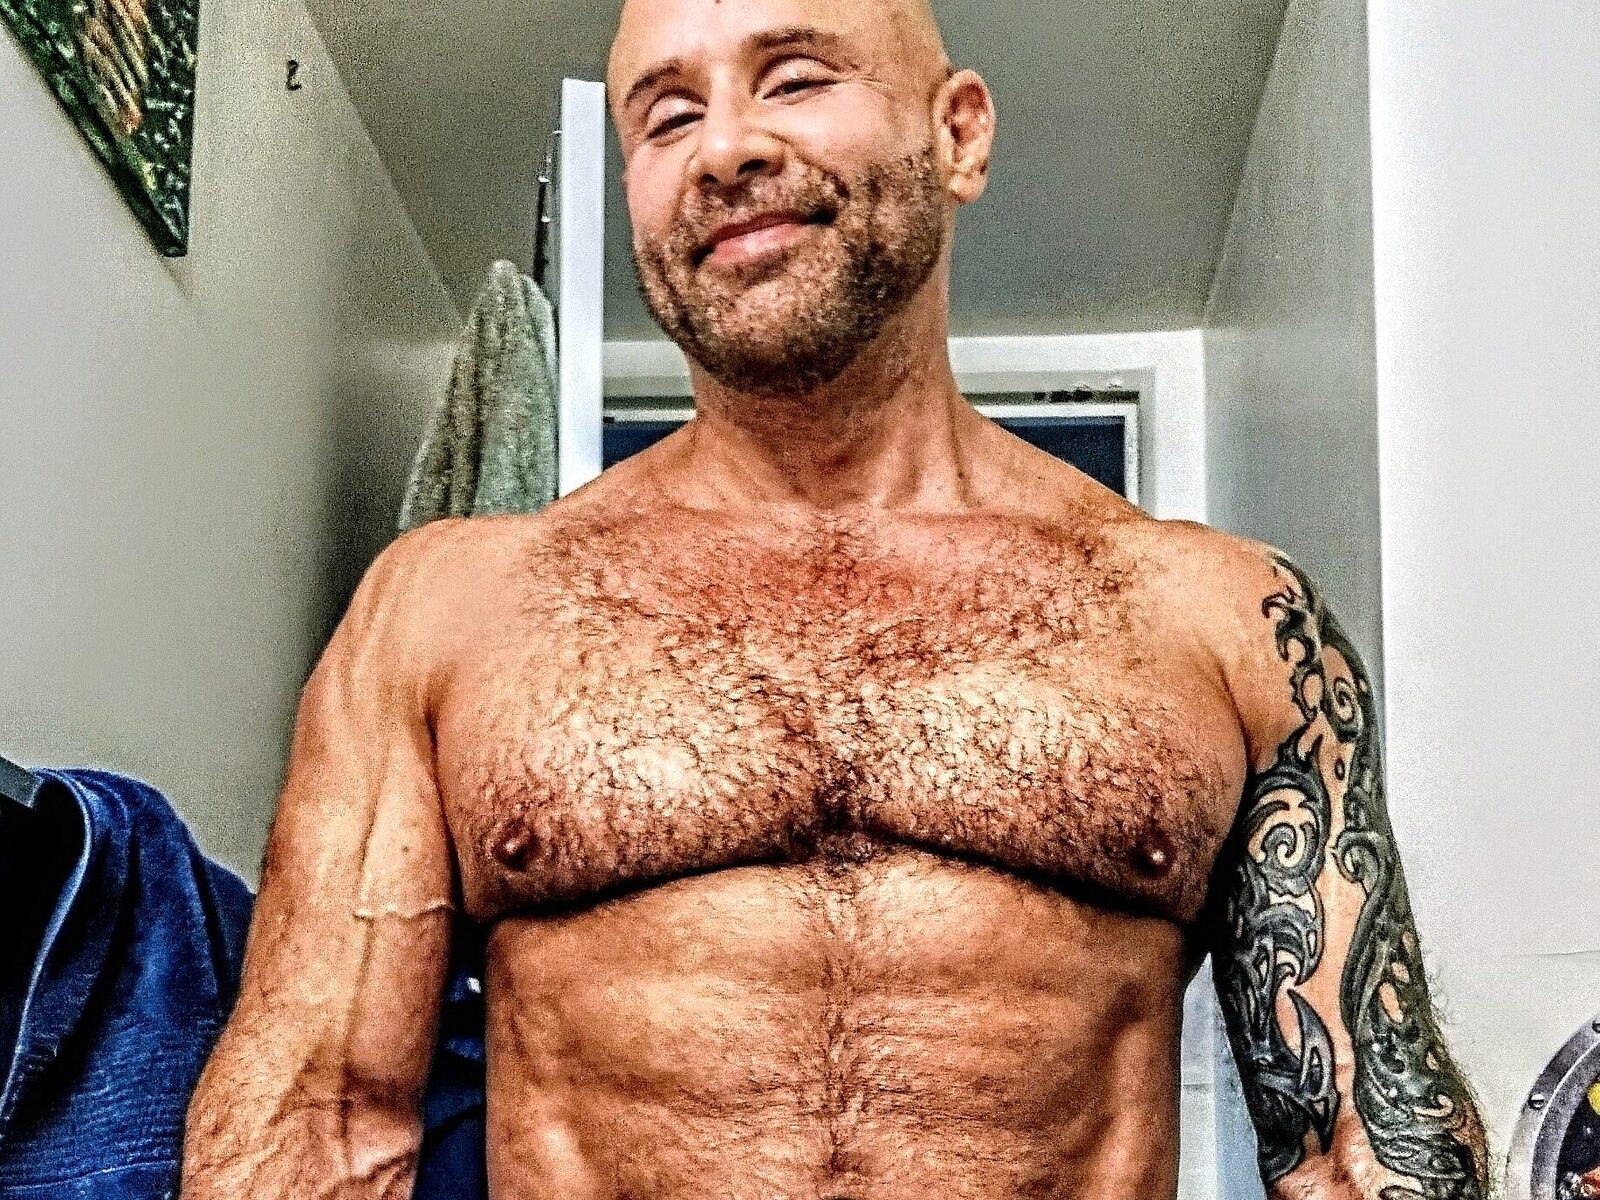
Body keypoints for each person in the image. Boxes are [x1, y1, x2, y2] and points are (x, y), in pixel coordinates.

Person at [179, 0, 1491, 1196]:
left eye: (795, 79)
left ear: (958, 133)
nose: (724, 148)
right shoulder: (448, 614)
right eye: (666, 116)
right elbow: (313, 1133)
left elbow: (1366, 1153)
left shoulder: (1227, 622)